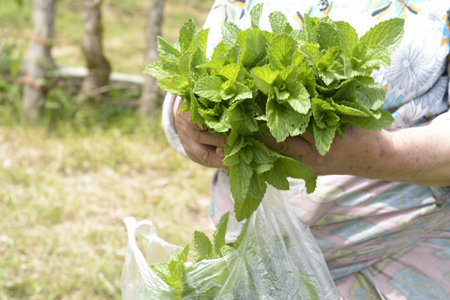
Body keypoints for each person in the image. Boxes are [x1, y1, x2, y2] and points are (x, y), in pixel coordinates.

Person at [162, 0, 450, 299]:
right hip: (247, 264)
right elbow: (200, 68)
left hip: (394, 262)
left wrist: (379, 154)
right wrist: (184, 112)